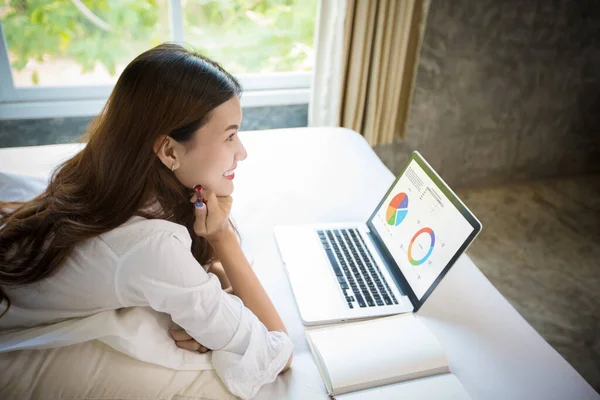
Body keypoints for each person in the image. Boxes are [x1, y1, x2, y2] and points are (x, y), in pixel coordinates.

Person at [0, 43, 293, 399]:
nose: (242, 152)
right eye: (230, 135)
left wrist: (215, 287)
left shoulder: (110, 176)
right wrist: (223, 238)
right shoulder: (152, 245)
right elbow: (278, 351)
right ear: (169, 151)